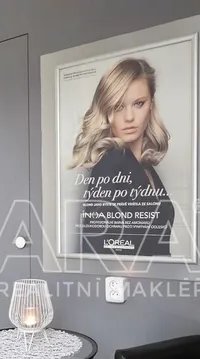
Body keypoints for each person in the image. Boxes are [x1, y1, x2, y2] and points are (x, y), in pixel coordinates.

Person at [69, 58, 174, 257]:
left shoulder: (146, 167)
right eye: (118, 106)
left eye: (138, 103)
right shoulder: (111, 163)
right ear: (106, 110)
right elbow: (95, 250)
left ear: (151, 105)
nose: (129, 117)